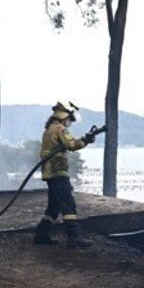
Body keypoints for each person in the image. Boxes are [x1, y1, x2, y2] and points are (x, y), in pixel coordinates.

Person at [32, 101, 96, 248]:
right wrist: (86, 140)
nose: (70, 123)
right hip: (58, 172)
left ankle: (41, 234)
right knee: (68, 204)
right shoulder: (59, 129)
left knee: (54, 207)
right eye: (69, 120)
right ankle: (74, 236)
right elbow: (71, 145)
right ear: (64, 116)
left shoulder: (49, 129)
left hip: (51, 173)